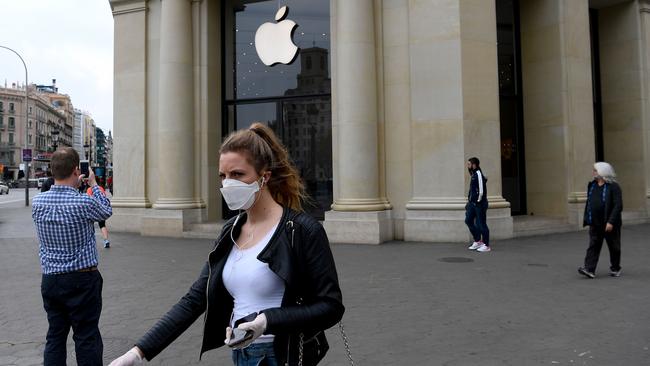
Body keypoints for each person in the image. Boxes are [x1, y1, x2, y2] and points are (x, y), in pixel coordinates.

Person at [109, 122, 344, 366]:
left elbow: (330, 306)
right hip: (241, 355)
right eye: (223, 176)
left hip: (281, 356)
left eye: (238, 175)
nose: (228, 184)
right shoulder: (230, 230)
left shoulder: (302, 230)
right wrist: (138, 353)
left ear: (265, 177)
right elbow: (194, 300)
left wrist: (266, 321)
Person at [31, 147, 113, 366]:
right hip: (81, 280)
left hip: (51, 279)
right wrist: (94, 185)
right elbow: (106, 210)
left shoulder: (38, 203)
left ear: (52, 170)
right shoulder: (82, 202)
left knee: (55, 337)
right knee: (86, 337)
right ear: (77, 171)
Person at [578, 162, 623, 279]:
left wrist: (611, 222)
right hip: (595, 223)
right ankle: (589, 269)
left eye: (595, 170)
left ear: (603, 172)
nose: (593, 172)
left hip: (609, 223)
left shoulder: (614, 186)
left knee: (614, 247)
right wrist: (588, 218)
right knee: (593, 245)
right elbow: (590, 202)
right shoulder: (592, 185)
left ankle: (615, 268)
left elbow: (618, 205)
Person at [465, 157, 491, 252]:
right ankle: (478, 240)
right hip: (472, 203)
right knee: (468, 220)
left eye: (469, 164)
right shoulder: (473, 175)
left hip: (479, 204)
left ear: (474, 165)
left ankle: (486, 245)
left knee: (481, 224)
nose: (468, 166)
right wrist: (470, 202)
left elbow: (481, 191)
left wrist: (478, 201)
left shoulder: (478, 174)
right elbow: (472, 191)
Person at [87, 184, 111, 248]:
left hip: (92, 209)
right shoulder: (101, 188)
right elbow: (104, 198)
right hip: (100, 208)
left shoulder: (89, 189)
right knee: (102, 225)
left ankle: (91, 242)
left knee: (90, 225)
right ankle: (106, 240)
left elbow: (88, 199)